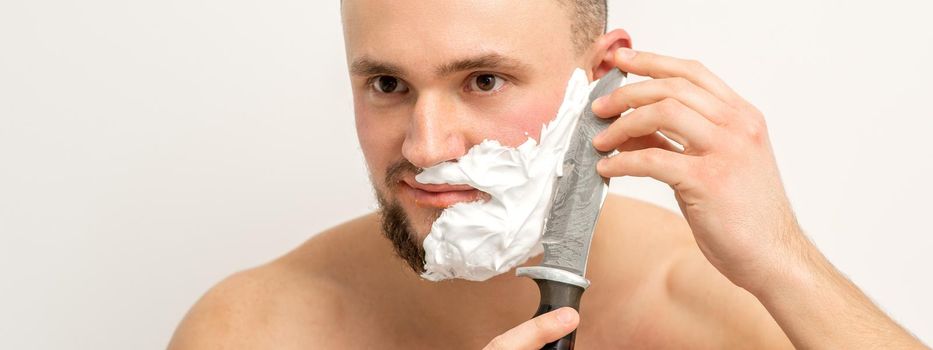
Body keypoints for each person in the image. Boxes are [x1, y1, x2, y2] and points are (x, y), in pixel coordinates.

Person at [168, 1, 927, 348]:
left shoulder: (729, 314)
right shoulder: (253, 329)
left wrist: (785, 260)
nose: (426, 147)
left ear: (599, 81)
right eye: (389, 86)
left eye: (484, 81)